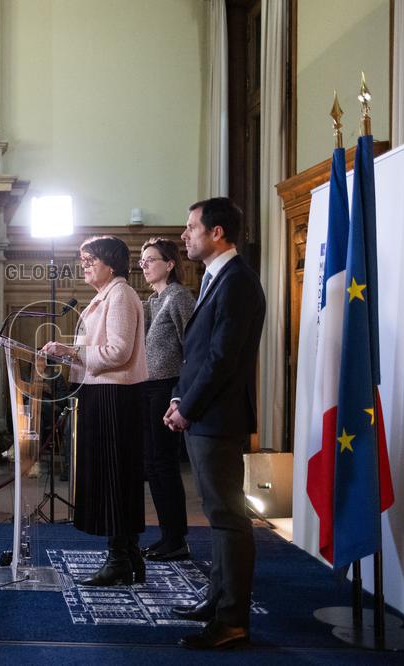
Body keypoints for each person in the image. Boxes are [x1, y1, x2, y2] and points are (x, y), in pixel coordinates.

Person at [164, 198, 265, 650]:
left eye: (191, 227)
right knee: (218, 514)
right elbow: (200, 352)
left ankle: (232, 620)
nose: (185, 234)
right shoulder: (216, 277)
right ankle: (218, 598)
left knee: (228, 518)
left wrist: (189, 407)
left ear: (217, 232)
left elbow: (223, 359)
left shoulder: (238, 281)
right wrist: (180, 397)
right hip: (204, 411)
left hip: (218, 418)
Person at [43, 236, 148, 586]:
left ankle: (120, 559)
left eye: (90, 260)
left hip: (114, 397)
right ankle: (128, 555)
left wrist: (72, 354)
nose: (84, 265)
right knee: (114, 476)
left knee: (113, 477)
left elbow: (118, 352)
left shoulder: (119, 294)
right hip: (103, 393)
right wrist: (68, 353)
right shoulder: (107, 295)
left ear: (112, 263)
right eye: (82, 259)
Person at [139, 237, 196, 561]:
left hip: (168, 388)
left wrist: (180, 396)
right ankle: (167, 535)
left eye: (151, 259)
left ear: (170, 264)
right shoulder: (153, 301)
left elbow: (193, 348)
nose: (144, 265)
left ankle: (177, 539)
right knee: (152, 465)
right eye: (142, 260)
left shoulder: (178, 297)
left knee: (164, 464)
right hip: (149, 387)